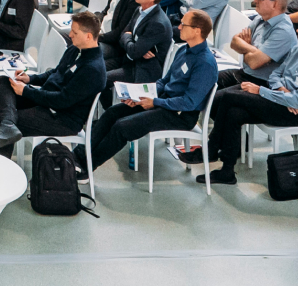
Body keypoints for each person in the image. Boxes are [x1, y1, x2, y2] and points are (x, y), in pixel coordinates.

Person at [186, 15, 298, 184]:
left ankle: (210, 149)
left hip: (295, 112)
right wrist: (281, 90)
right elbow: (275, 74)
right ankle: (227, 170)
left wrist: (261, 91)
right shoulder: (297, 50)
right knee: (234, 113)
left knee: (227, 96)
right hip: (279, 98)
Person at [87, 10, 218, 172]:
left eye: (184, 24)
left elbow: (189, 102)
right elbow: (164, 81)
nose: (179, 27)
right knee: (112, 113)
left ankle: (88, 167)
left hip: (179, 114)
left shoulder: (205, 63)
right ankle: (81, 155)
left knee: (122, 127)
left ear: (197, 30)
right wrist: (140, 95)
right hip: (163, 101)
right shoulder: (183, 50)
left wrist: (154, 102)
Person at [0, 10, 106, 153]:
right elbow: (56, 72)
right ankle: (7, 125)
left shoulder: (92, 69)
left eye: (75, 32)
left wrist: (26, 91)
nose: (70, 34)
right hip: (47, 99)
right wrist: (30, 78)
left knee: (6, 117)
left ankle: (6, 131)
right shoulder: (75, 49)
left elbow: (62, 100)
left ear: (88, 36)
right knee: (3, 81)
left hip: (61, 117)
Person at [221, 0, 298, 89]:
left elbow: (254, 63)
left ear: (274, 4)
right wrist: (253, 50)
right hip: (245, 74)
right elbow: (234, 42)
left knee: (217, 99)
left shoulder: (283, 31)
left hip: (262, 84)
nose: (255, 0)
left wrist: (245, 48)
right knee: (207, 79)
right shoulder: (260, 18)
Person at [106, 0, 173, 87]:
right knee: (96, 70)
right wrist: (131, 41)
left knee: (103, 79)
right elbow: (123, 33)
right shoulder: (139, 9)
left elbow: (134, 52)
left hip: (142, 69)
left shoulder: (157, 23)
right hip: (128, 59)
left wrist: (129, 39)